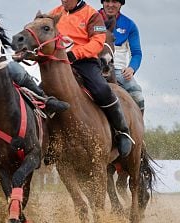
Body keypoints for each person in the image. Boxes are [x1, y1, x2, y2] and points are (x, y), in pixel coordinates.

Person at [48, 0, 133, 157]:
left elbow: (98, 42)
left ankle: (122, 131)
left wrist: (76, 53)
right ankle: (47, 139)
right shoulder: (54, 14)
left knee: (102, 90)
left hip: (84, 62)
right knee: (41, 94)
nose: (63, 0)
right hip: (60, 65)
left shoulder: (92, 15)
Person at [99, 0, 145, 114]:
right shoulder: (91, 19)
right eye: (107, 1)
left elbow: (136, 53)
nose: (110, 5)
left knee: (138, 96)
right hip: (93, 65)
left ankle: (138, 131)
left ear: (121, 4)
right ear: (102, 2)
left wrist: (131, 68)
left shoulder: (129, 25)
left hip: (118, 69)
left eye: (114, 1)